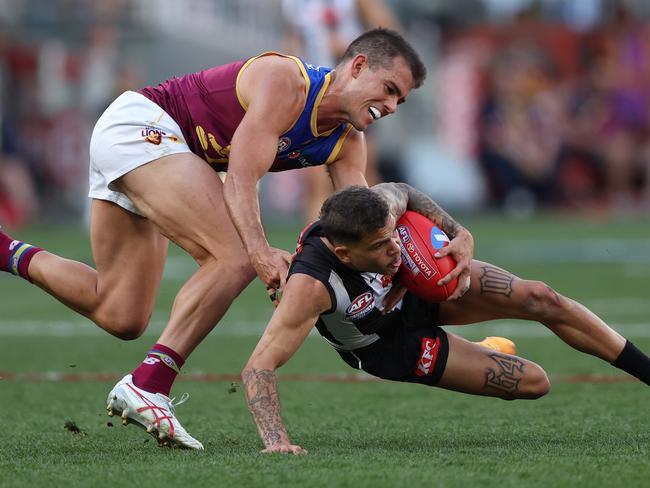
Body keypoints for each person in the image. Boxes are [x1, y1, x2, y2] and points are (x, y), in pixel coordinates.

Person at [0, 29, 448, 449]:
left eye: (401, 101)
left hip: (167, 158)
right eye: (389, 89)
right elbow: (239, 178)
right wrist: (259, 252)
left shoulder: (347, 144)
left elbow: (362, 227)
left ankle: (5, 249)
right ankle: (148, 384)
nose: (391, 106)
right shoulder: (285, 81)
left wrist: (407, 270)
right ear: (358, 66)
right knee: (233, 257)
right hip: (142, 129)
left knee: (120, 313)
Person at [241, 184, 650, 454]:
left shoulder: (378, 210)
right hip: (390, 344)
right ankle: (483, 350)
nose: (394, 249)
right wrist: (277, 442)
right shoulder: (311, 286)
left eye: (393, 235)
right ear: (345, 254)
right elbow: (258, 365)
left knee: (540, 296)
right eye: (381, 246)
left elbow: (403, 191)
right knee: (534, 382)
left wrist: (458, 231)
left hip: (416, 289)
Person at [281, 0, 401, 221]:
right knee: (315, 181)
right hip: (315, 94)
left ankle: (385, 239)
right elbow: (294, 38)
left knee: (364, 173)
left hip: (355, 93)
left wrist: (352, 48)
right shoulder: (293, 3)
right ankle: (314, 251)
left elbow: (389, 32)